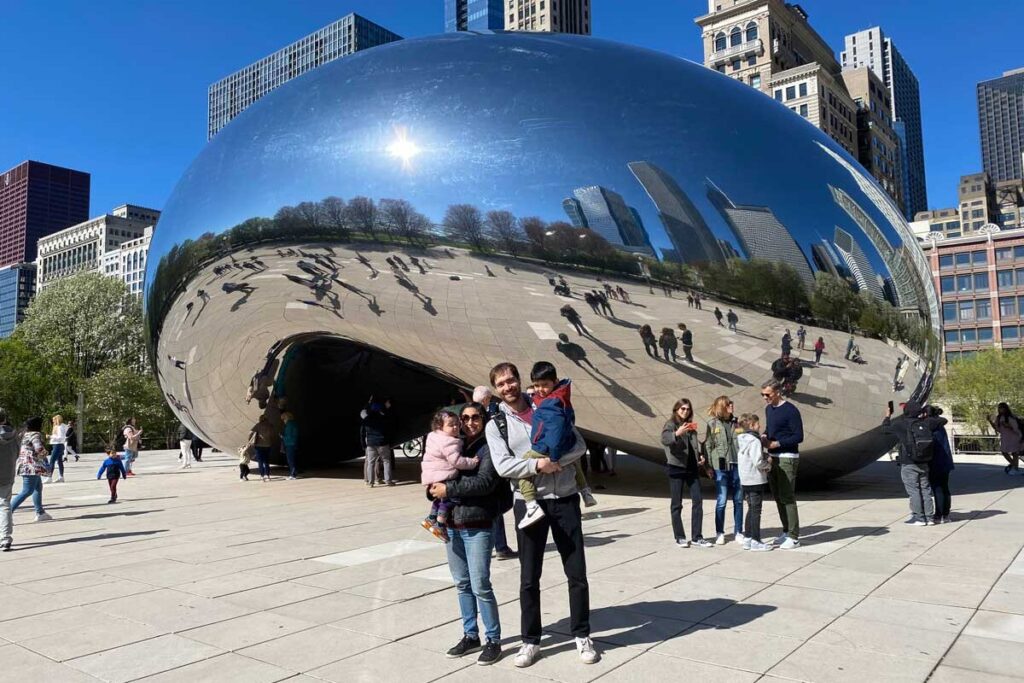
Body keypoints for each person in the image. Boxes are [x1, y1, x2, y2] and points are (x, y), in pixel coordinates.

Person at [485, 362, 599, 668]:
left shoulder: (546, 404)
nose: (508, 387)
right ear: (497, 389)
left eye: (511, 380)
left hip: (563, 498)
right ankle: (530, 640)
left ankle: (582, 634)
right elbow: (503, 466)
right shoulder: (497, 424)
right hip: (528, 502)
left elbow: (579, 444)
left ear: (520, 381)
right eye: (501, 384)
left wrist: (554, 460)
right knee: (528, 576)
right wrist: (537, 466)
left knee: (576, 572)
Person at [430, 402, 505, 665]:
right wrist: (432, 488)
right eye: (465, 418)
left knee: (481, 584)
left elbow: (485, 483)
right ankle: (470, 634)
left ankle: (493, 639)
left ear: (483, 419)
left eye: (475, 417)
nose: (470, 422)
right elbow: (436, 475)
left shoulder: (489, 447)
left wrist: (448, 490)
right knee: (462, 583)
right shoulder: (455, 444)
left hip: (477, 524)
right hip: (452, 525)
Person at [517, 362, 596, 529]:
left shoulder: (550, 404)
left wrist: (553, 458)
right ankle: (586, 491)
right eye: (536, 385)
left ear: (555, 381)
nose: (540, 389)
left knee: (523, 467)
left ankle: (531, 505)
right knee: (575, 464)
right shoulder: (561, 396)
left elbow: (554, 431)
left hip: (544, 447)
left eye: (545, 385)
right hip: (566, 443)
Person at [883, 401, 946, 525]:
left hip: (908, 463)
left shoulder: (901, 425)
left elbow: (884, 429)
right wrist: (925, 416)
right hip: (924, 462)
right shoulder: (926, 423)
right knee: (925, 490)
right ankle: (929, 517)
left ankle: (919, 518)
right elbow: (943, 420)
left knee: (914, 491)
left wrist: (887, 416)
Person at [421, 410, 480, 542]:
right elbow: (457, 461)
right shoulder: (449, 442)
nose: (455, 427)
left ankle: (431, 518)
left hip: (431, 473)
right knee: (450, 499)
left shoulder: (433, 436)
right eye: (450, 425)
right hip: (443, 473)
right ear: (439, 426)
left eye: (456, 424)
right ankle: (440, 524)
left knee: (439, 498)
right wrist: (472, 462)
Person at [661, 398, 712, 549]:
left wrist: (700, 457)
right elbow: (665, 439)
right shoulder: (670, 424)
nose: (685, 411)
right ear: (676, 410)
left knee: (698, 501)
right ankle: (680, 536)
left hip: (692, 468)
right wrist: (677, 433)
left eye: (687, 409)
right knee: (677, 504)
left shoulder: (691, 427)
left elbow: (693, 446)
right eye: (682, 409)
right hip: (676, 468)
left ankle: (697, 536)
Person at [761, 380, 803, 548]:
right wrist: (764, 436)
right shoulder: (769, 409)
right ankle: (786, 531)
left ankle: (794, 537)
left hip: (787, 457)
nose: (765, 398)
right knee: (778, 496)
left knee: (787, 497)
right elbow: (770, 430)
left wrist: (776, 444)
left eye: (768, 394)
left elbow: (798, 436)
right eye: (763, 394)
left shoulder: (790, 411)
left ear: (777, 392)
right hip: (772, 457)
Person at [704, 396, 743, 545]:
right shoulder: (712, 424)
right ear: (722, 407)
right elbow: (708, 445)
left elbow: (742, 440)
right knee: (722, 500)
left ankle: (738, 531)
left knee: (738, 500)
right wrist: (707, 466)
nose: (732, 406)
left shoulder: (737, 422)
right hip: (720, 466)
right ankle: (719, 532)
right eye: (728, 405)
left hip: (737, 464)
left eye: (732, 404)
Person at [736, 413, 773, 551]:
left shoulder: (740, 438)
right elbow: (758, 462)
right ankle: (756, 540)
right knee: (756, 510)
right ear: (752, 425)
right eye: (758, 424)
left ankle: (748, 538)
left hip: (745, 479)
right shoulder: (755, 441)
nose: (760, 426)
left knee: (751, 508)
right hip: (755, 479)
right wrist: (768, 464)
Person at [10, 417, 52, 523]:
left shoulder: (24, 434)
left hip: (25, 465)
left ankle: (40, 512)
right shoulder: (35, 434)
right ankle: (6, 513)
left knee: (38, 487)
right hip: (31, 466)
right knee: (27, 490)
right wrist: (45, 454)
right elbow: (38, 448)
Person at [929, 406, 954, 524]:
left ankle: (939, 514)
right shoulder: (940, 425)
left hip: (935, 461)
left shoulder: (931, 426)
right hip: (946, 461)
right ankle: (946, 514)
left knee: (937, 488)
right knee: (945, 488)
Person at [362, 400, 395, 486]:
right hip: (382, 443)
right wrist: (387, 407)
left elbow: (363, 412)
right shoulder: (383, 418)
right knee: (386, 461)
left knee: (370, 463)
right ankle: (388, 481)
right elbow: (390, 419)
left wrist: (368, 404)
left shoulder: (367, 419)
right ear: (380, 409)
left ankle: (370, 482)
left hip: (371, 444)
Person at [0, 410, 19, 551]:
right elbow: (16, 454)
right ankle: (5, 538)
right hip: (7, 474)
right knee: (5, 505)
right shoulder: (15, 435)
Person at [988, 402, 1022, 475]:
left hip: (1013, 437)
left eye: (1002, 408)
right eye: (999, 408)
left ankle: (1015, 468)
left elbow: (1016, 428)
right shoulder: (999, 418)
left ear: (1006, 408)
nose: (1000, 409)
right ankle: (1015, 466)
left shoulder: (1010, 417)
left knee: (1015, 453)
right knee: (1004, 452)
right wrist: (990, 421)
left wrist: (1008, 426)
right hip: (1005, 438)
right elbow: (997, 428)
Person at [251, 415, 275, 482]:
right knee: (266, 461)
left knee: (260, 462)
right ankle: (267, 475)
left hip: (259, 446)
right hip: (268, 445)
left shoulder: (258, 425)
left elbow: (251, 432)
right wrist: (271, 441)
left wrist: (250, 440)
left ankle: (262, 476)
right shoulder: (270, 425)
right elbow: (273, 435)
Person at [44, 415, 67, 484]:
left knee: (52, 461)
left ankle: (49, 477)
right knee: (59, 461)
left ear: (57, 420)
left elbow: (60, 437)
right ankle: (61, 477)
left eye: (54, 420)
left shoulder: (59, 427)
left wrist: (50, 436)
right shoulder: (62, 426)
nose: (53, 421)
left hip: (57, 445)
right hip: (59, 445)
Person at [281, 412, 299, 479]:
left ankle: (293, 474)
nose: (283, 421)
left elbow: (289, 436)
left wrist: (282, 437)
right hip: (294, 443)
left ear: (286, 418)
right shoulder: (294, 424)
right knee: (293, 459)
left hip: (289, 444)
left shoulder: (289, 425)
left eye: (283, 419)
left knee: (290, 460)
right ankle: (294, 472)